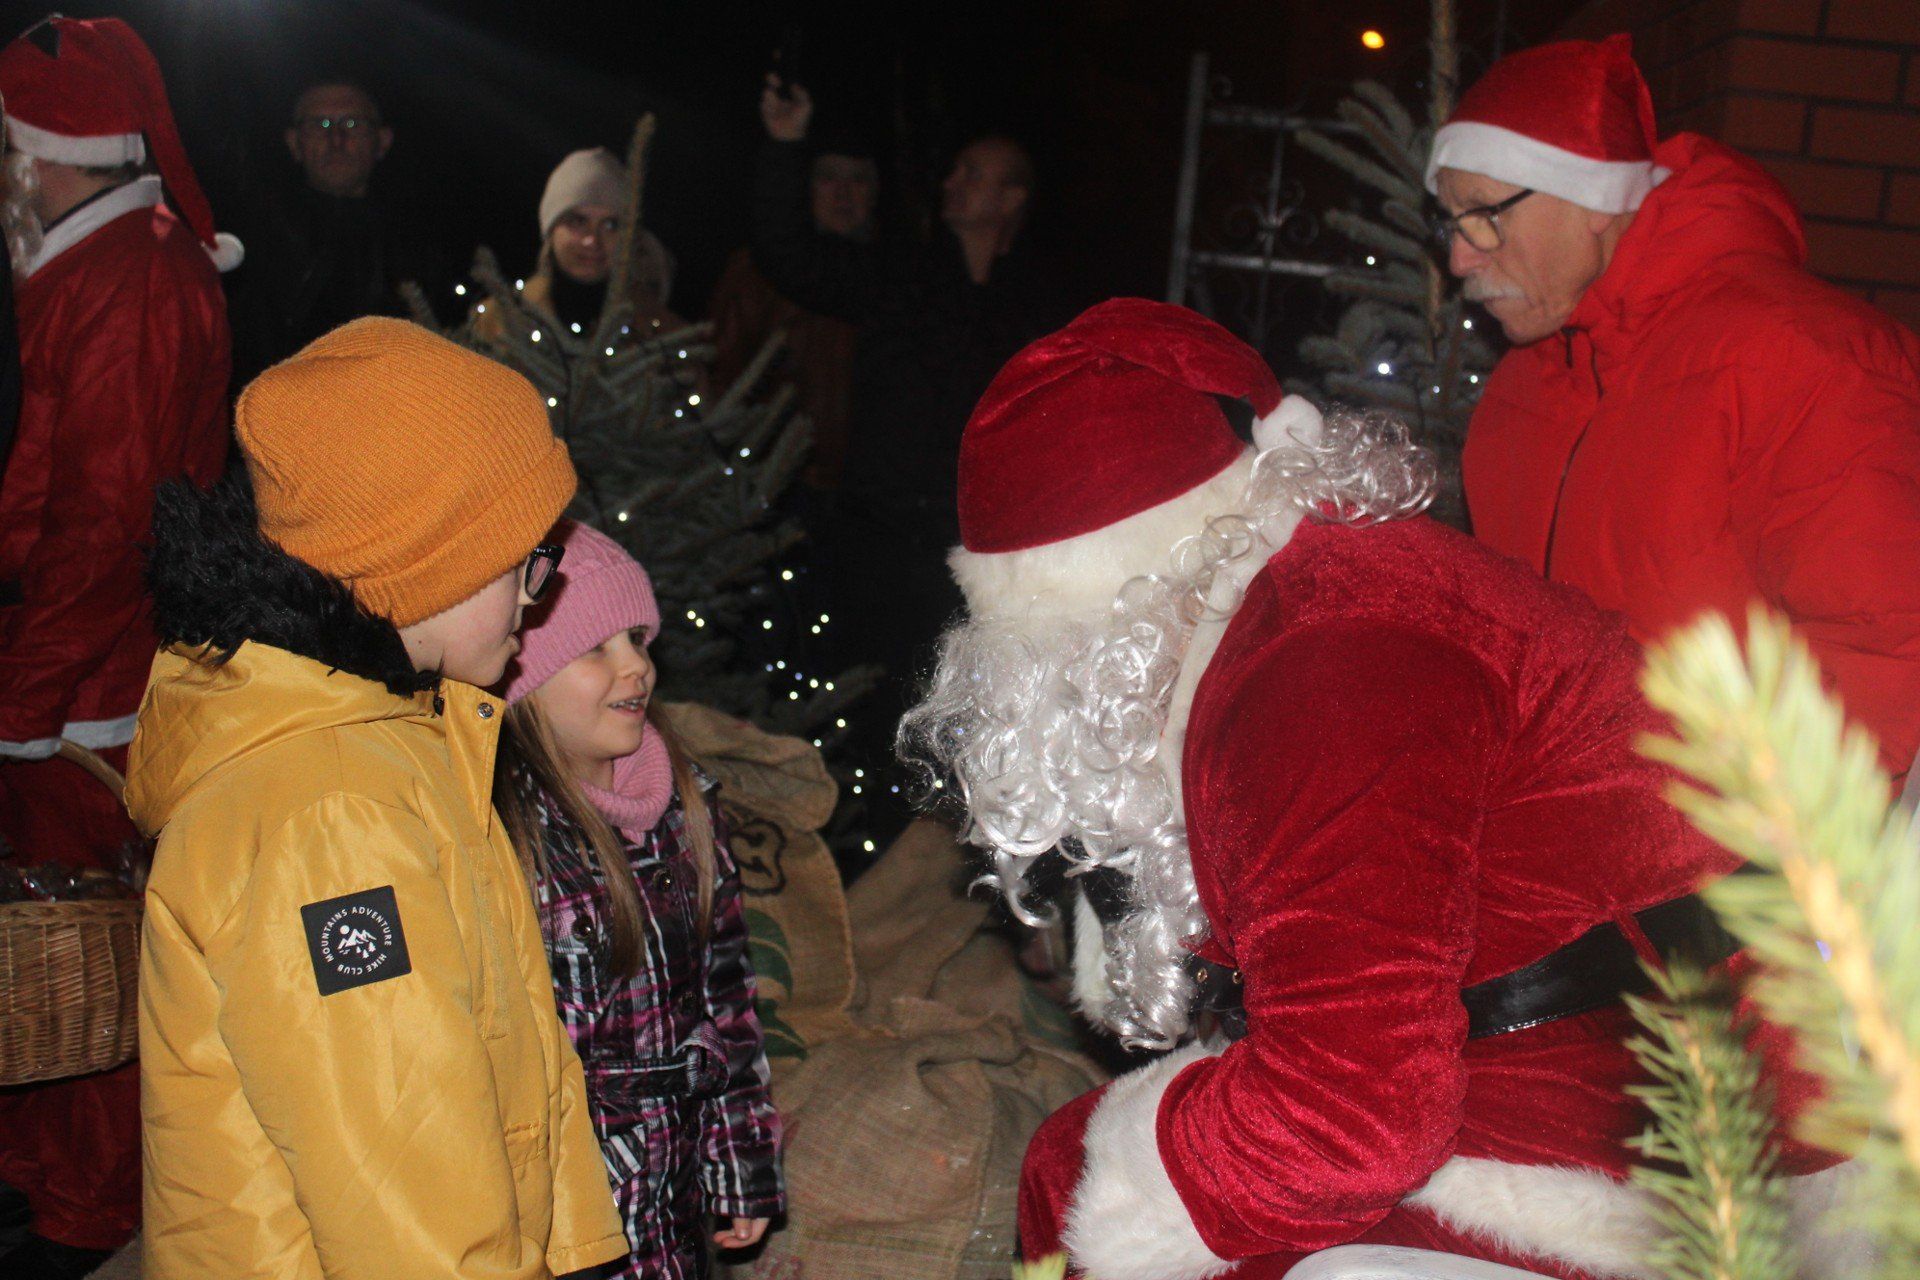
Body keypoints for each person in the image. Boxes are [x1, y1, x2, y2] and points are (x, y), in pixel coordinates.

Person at [901, 299, 1853, 1280]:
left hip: (1666, 1124)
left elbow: (1353, 1118)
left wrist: (1108, 1186)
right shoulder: (1278, 609)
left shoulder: (1322, 666)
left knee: (1100, 1188)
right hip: (1594, 1065)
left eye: (1036, 651)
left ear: (1102, 609)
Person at [129, 317, 626, 1279]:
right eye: (525, 561)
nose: (538, 595)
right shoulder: (331, 816)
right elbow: (400, 1173)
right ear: (417, 565)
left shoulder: (386, 746)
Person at [1429, 34, 1920, 788]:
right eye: (1451, 221)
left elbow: (1887, 656)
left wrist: (1698, 856)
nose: (1460, 257)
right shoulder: (1523, 389)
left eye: (1484, 215)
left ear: (1591, 200)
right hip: (1561, 856)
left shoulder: (1809, 361)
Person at [0, 16, 237, 1273]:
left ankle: (86, 1204)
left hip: (90, 682)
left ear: (43, 148)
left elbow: (106, 517)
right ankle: (49, 1171)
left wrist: (23, 698)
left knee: (81, 951)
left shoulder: (130, 282)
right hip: (73, 657)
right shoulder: (97, 266)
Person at [754, 78, 1069, 838]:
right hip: (879, 541)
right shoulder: (899, 273)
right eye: (953, 170)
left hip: (979, 560)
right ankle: (858, 861)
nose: (952, 183)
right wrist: (783, 147)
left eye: (974, 173)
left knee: (960, 733)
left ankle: (952, 881)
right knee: (870, 717)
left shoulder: (1037, 308)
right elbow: (788, 257)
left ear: (1013, 197)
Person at [496, 519, 785, 1279]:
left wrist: (740, 1160)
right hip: (571, 1220)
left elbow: (726, 1001)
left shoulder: (686, 803)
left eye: (639, 640)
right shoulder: (503, 836)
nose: (636, 668)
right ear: (523, 679)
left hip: (675, 1196)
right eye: (596, 649)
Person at [228, 77, 447, 383]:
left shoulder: (420, 239)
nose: (337, 139)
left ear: (382, 140)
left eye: (353, 123)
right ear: (294, 142)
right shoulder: (253, 241)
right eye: (320, 124)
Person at [708, 140, 876, 494]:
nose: (843, 193)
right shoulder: (755, 274)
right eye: (828, 178)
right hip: (768, 487)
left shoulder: (896, 280)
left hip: (869, 493)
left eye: (858, 180)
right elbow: (722, 378)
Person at [473, 146, 685, 346]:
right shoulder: (499, 321)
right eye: (577, 221)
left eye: (610, 225)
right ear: (552, 230)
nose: (592, 240)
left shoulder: (664, 338)